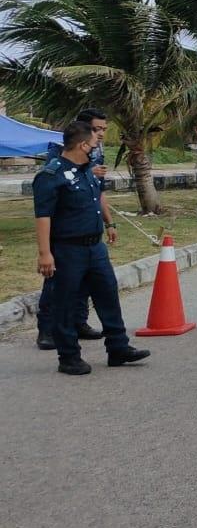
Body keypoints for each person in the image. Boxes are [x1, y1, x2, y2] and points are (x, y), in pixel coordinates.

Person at [33, 121, 150, 375]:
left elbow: (97, 199)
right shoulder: (51, 176)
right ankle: (69, 356)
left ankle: (118, 348)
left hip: (94, 248)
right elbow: (43, 216)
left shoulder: (87, 171)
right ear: (82, 145)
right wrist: (45, 253)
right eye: (94, 143)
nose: (97, 147)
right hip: (67, 249)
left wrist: (110, 223)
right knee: (66, 301)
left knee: (107, 294)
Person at [34, 108, 112, 349]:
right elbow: (48, 202)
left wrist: (110, 223)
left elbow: (98, 193)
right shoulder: (60, 154)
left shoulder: (96, 154)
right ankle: (47, 330)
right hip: (65, 235)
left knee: (86, 283)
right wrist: (45, 251)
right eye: (97, 130)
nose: (100, 135)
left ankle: (80, 322)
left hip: (89, 233)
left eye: (103, 130)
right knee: (56, 285)